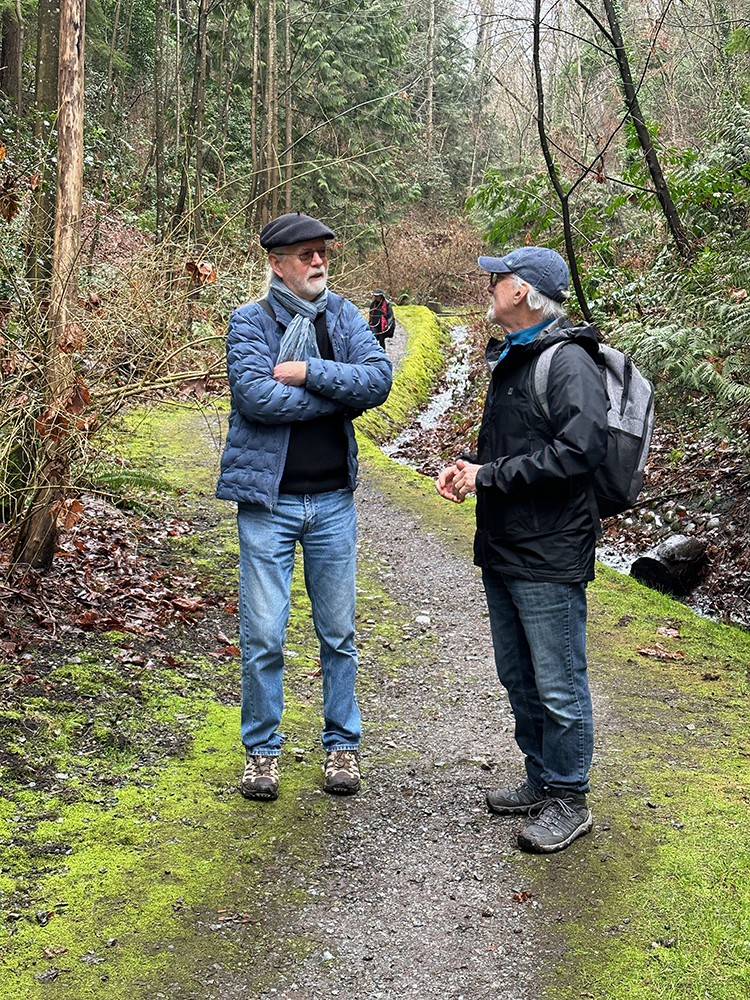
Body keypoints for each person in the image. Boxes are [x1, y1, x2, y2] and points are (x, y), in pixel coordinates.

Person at [436, 247, 608, 853]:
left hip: (551, 549)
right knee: (518, 675)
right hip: (506, 544)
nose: (489, 281)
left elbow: (579, 453)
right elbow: (520, 450)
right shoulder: (514, 356)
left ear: (524, 292)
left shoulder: (568, 362)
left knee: (558, 680)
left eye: (499, 275)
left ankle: (569, 798)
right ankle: (540, 777)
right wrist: (472, 472)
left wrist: (489, 475)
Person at [216, 212, 392, 801]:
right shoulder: (249, 322)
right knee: (264, 636)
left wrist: (310, 371)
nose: (318, 262)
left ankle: (343, 747)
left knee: (337, 633)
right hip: (269, 504)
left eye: (322, 252)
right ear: (275, 263)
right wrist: (334, 397)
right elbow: (257, 398)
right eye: (305, 254)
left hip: (333, 503)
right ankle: (261, 754)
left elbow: (377, 380)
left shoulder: (341, 316)